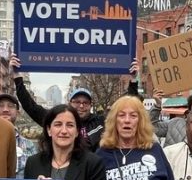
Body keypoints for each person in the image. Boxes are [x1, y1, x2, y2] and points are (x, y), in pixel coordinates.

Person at [9, 54, 144, 149]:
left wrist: (133, 80)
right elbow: (31, 107)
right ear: (70, 103)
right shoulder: (57, 119)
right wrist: (17, 77)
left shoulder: (100, 122)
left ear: (90, 105)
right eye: (77, 102)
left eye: (85, 103)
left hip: (92, 175)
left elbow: (126, 106)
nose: (81, 106)